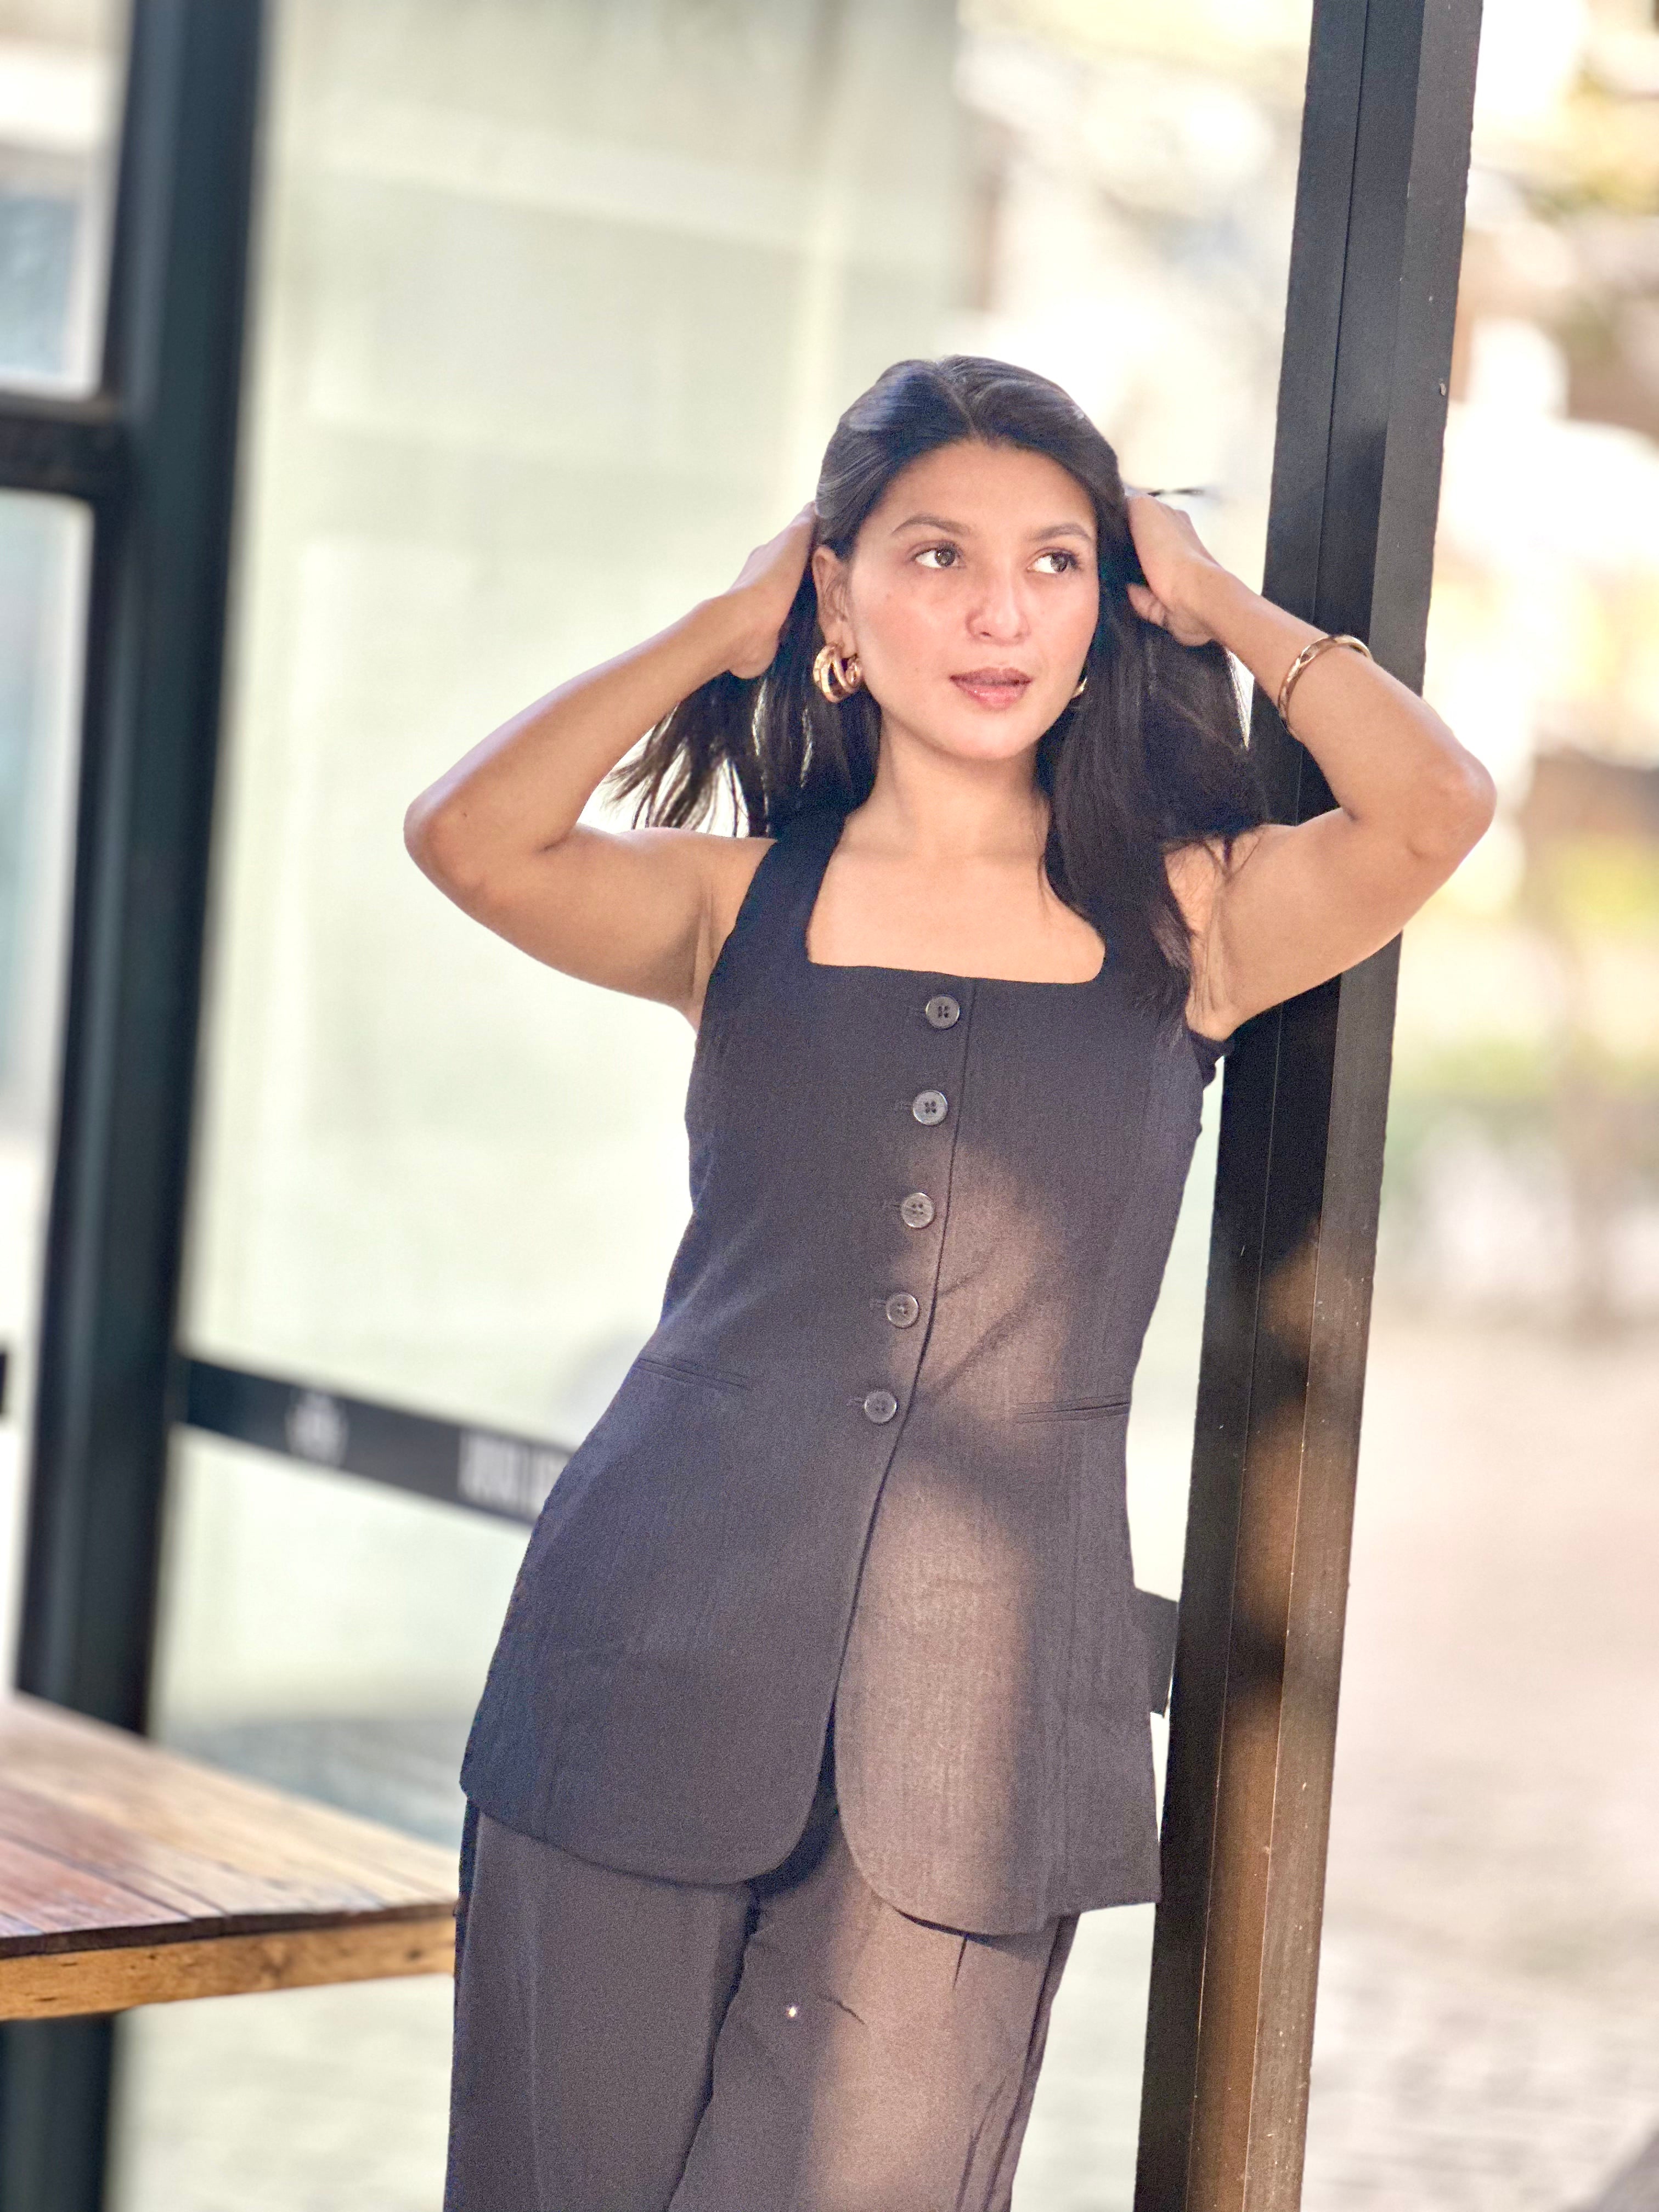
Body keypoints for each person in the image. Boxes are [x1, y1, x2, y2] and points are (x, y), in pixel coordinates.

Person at [405, 354, 1493, 2212]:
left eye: (1055, 562)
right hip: (635, 1658)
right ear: (838, 594)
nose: (1001, 611)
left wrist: (1216, 598)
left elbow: (1433, 808)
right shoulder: (732, 904)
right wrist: (722, 625)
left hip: (985, 1741)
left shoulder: (1196, 913)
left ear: (1104, 605)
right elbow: (468, 836)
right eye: (936, 556)